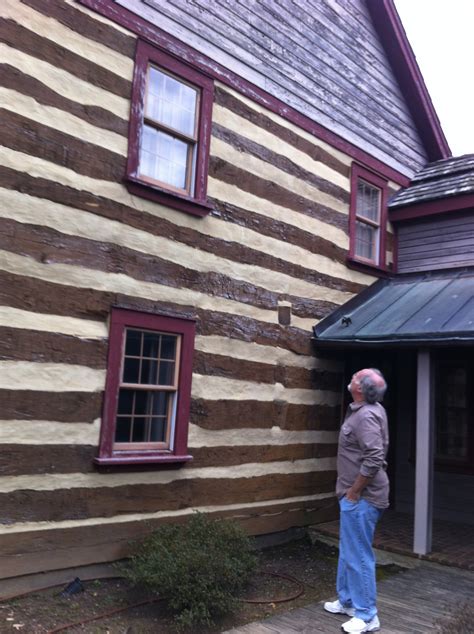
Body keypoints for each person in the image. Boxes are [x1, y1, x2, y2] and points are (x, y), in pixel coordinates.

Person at [324, 368, 389, 633]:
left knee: (359, 555)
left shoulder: (367, 417)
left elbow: (374, 458)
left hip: (363, 497)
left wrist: (354, 491)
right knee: (348, 550)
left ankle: (367, 616)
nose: (350, 377)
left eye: (354, 377)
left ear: (360, 388)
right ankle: (348, 602)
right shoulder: (363, 410)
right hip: (354, 495)